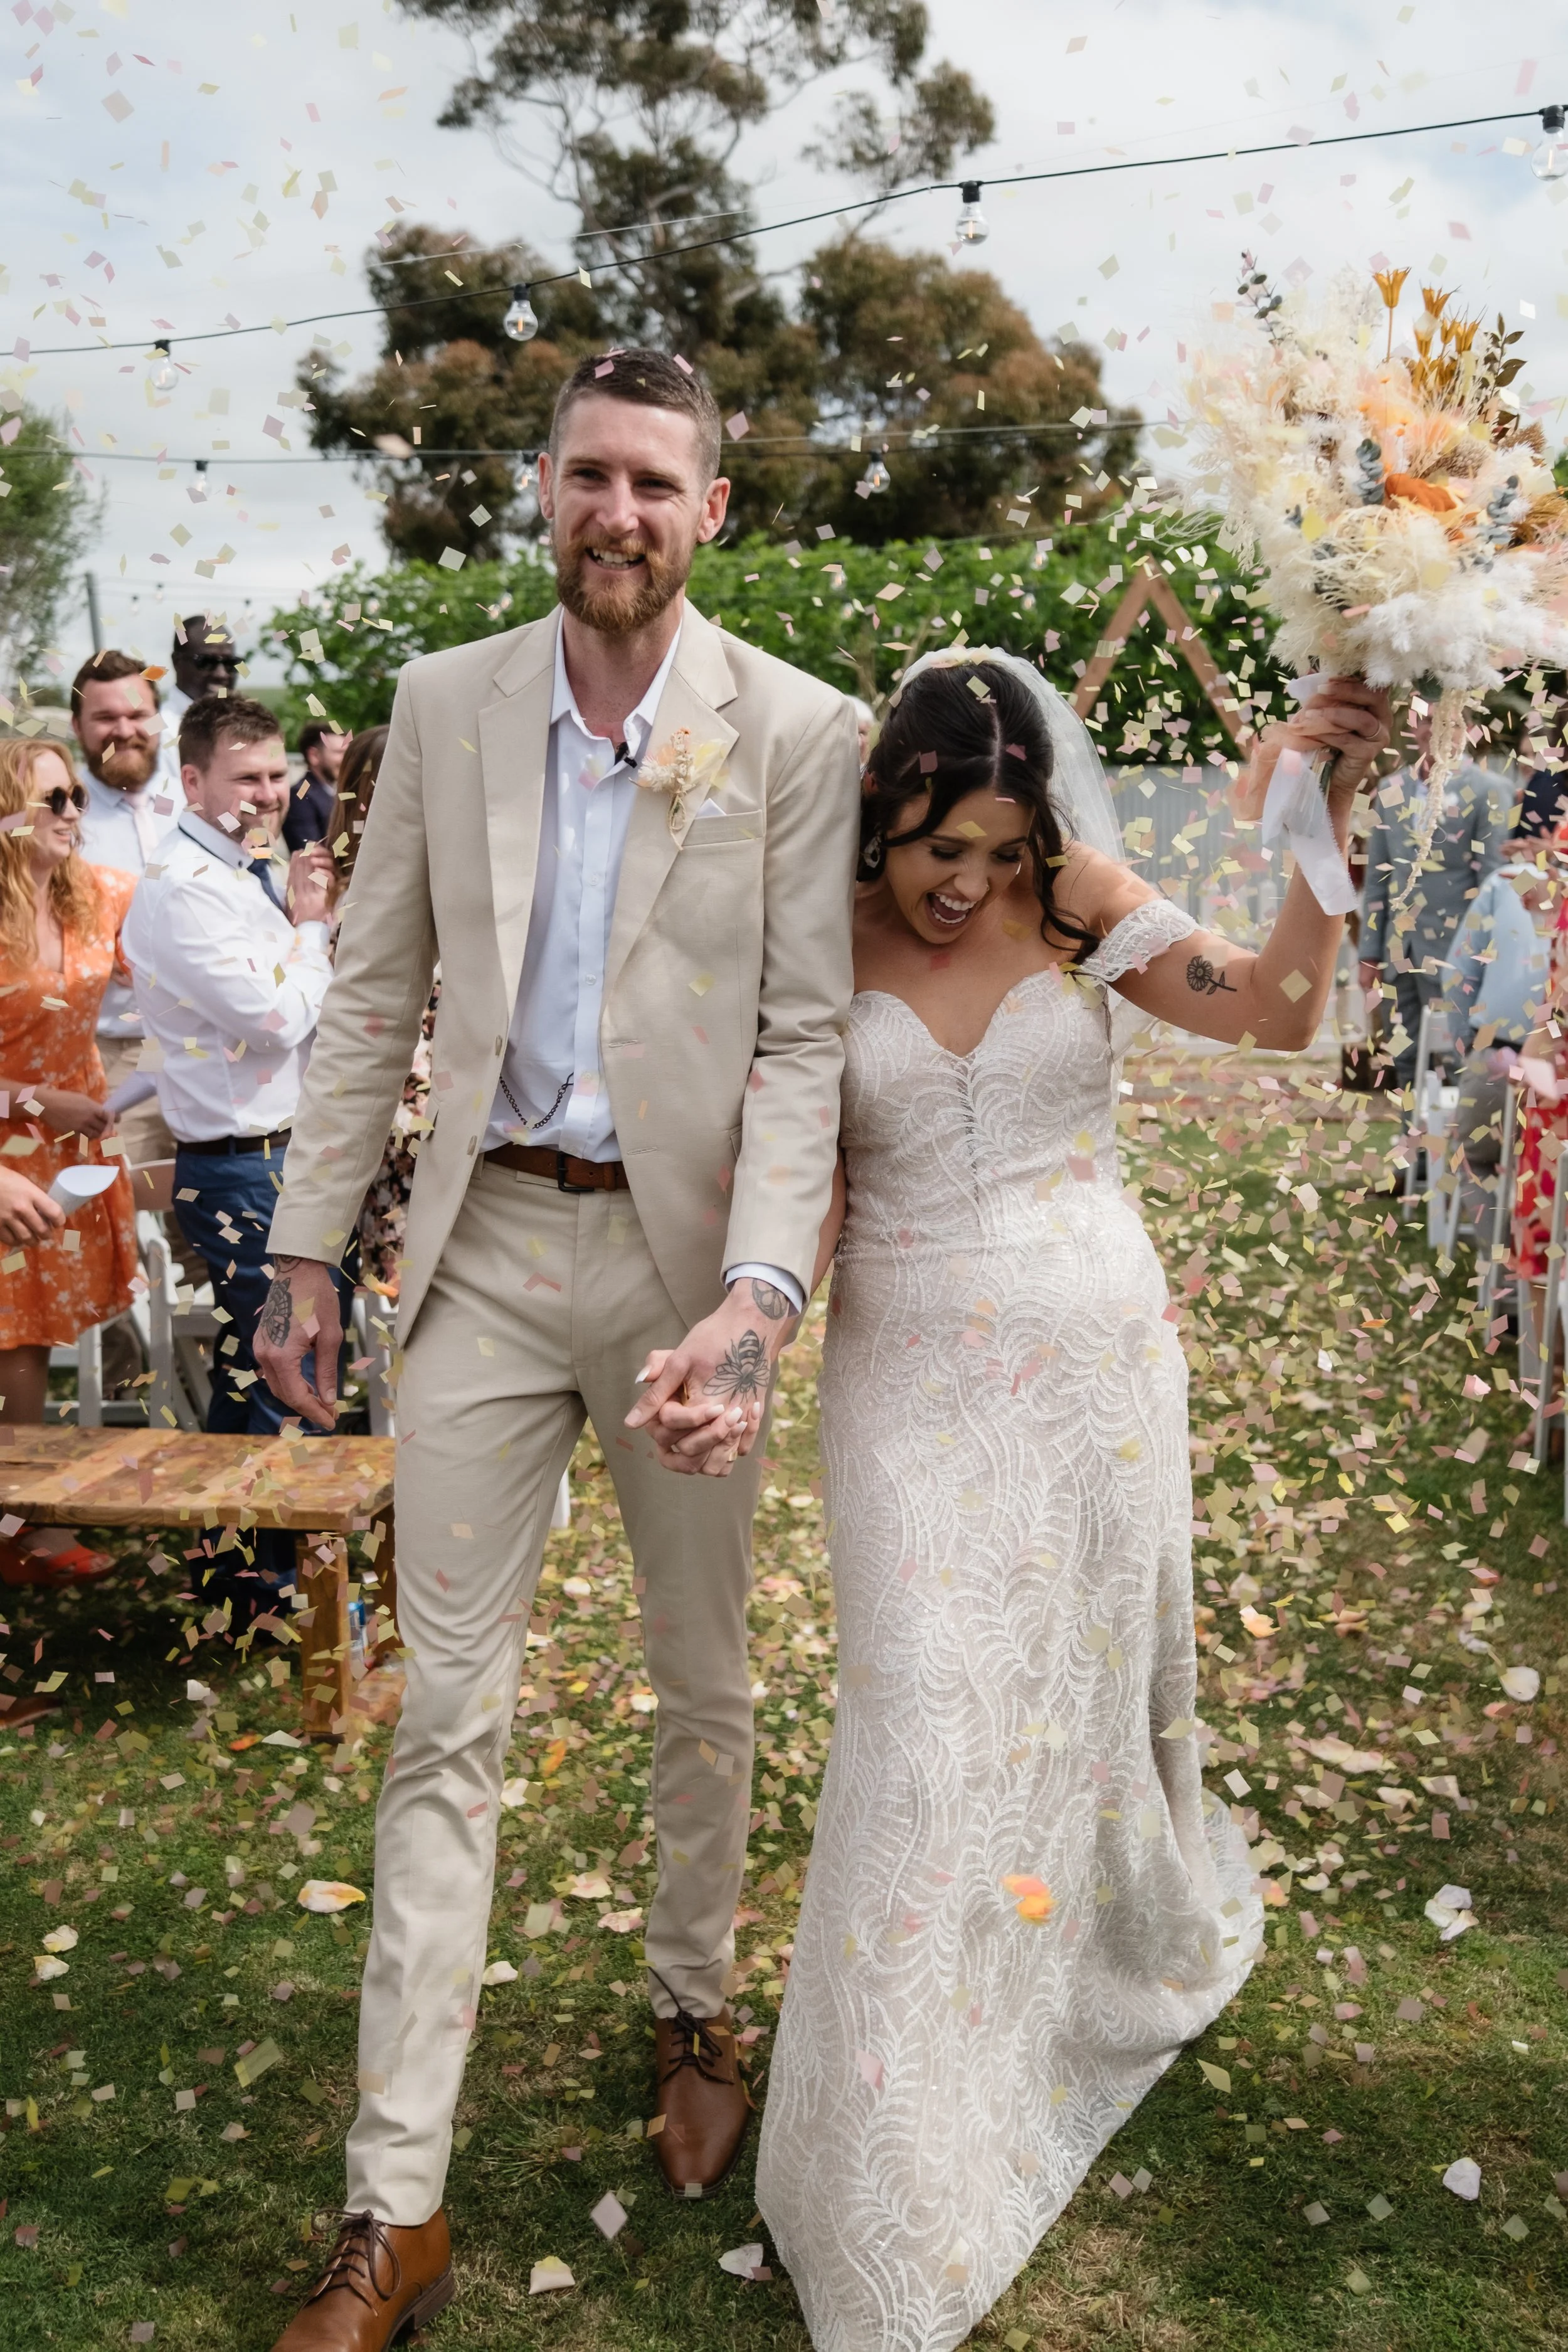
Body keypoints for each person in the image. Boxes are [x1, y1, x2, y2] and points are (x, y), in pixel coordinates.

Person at [253, 346, 857, 2351]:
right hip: (487, 1252)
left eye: (655, 484)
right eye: (590, 474)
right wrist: (307, 1244)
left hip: (694, 1272)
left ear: (710, 510)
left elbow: (800, 1040)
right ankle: (392, 2206)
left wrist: (757, 1299)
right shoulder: (445, 702)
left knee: (703, 1672)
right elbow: (372, 992)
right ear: (542, 485)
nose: (618, 512)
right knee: (442, 1714)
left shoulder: (798, 729)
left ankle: (692, 2001)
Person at [753, 649, 1390, 2352]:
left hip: (1096, 1372)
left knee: (1067, 1709)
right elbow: (798, 1192)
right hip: (907, 1386)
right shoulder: (816, 935)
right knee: (921, 1721)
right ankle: (888, 2155)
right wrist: (741, 1341)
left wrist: (1319, 815)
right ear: (876, 817)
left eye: (995, 848)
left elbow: (1273, 1009)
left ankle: (1053, 1984)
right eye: (930, 847)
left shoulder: (1081, 899)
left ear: (1038, 831)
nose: (964, 884)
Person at [120, 694, 342, 1594]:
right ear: (191, 781)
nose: (268, 793)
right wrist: (313, 924)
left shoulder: (242, 869)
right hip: (245, 1170)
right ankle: (264, 1586)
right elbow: (277, 1016)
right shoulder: (186, 889)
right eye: (245, 777)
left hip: (277, 1158)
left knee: (256, 1366)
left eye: (276, 774)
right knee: (284, 1363)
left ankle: (239, 1576)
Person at [0, 738, 139, 1578]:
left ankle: (23, 1525)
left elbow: (182, 969)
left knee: (28, 1338)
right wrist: (35, 1102)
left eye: (77, 797)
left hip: (68, 1144)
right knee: (9, 1336)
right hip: (9, 1139)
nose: (71, 813)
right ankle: (25, 1525)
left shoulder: (103, 893)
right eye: (50, 799)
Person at [69, 649, 183, 1168]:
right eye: (105, 718)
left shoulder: (199, 804)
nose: (124, 730)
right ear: (77, 726)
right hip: (112, 1058)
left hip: (208, 1053)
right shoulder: (56, 818)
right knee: (122, 1204)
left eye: (138, 715)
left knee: (218, 1211)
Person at [1357, 705, 1505, 1088]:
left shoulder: (1488, 790)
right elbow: (1377, 880)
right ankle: (1412, 1129)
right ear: (1414, 728)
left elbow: (1492, 882)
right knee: (1404, 1058)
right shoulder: (1390, 790)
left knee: (1459, 1058)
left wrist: (1487, 954)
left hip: (1457, 952)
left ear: (1467, 729)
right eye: (1427, 721)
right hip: (1398, 951)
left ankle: (1457, 1129)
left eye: (1449, 723)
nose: (1435, 731)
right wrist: (1369, 953)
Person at [1443, 771, 1563, 1186]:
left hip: (1500, 1053)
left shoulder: (1505, 883)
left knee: (1476, 1162)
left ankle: (1493, 1229)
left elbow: (1459, 973)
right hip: (1547, 1064)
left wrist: (1470, 1046)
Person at [156, 612, 239, 789]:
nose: (221, 674)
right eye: (206, 662)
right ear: (177, 662)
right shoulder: (161, 733)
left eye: (230, 663)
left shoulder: (240, 725)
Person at [282, 719, 351, 854]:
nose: (346, 760)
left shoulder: (335, 792)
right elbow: (311, 853)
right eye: (339, 752)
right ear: (314, 756)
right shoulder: (301, 796)